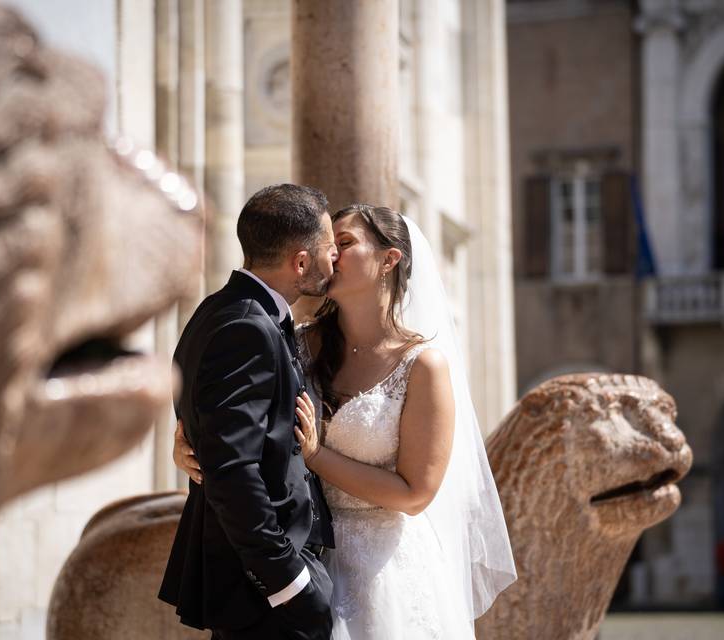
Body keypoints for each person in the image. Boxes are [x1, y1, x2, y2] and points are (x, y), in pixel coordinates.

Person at [175, 204, 517, 638]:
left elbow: (414, 494)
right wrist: (188, 443)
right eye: (328, 244)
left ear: (388, 260)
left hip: (382, 569)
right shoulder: (294, 341)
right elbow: (233, 420)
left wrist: (317, 455)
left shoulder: (422, 366)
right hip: (297, 554)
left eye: (345, 243)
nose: (331, 255)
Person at [159, 184, 340, 640]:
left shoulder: (219, 311)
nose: (334, 259)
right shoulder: (246, 328)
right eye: (329, 249)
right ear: (300, 262)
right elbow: (233, 471)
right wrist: (289, 584)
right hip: (264, 596)